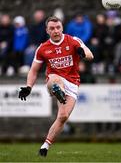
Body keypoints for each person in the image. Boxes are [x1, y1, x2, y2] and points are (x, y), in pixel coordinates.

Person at [18, 16, 94, 157]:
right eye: (52, 28)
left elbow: (90, 55)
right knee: (55, 80)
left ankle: (45, 146)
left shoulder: (73, 41)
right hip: (54, 79)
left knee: (63, 116)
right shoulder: (42, 48)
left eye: (58, 27)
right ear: (47, 30)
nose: (56, 31)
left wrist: (82, 53)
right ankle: (58, 91)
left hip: (73, 82)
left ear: (62, 28)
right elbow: (33, 70)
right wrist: (28, 87)